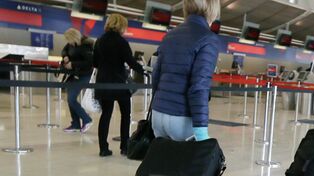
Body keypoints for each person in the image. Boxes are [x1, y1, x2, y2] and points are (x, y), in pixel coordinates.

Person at [151, 0, 220, 142]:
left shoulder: (170, 35)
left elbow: (156, 76)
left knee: (164, 163)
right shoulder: (208, 39)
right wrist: (201, 132)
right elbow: (199, 86)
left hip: (158, 114)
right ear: (213, 9)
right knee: (186, 163)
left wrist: (157, 105)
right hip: (181, 118)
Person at [93, 14, 144, 157]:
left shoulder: (99, 41)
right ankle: (125, 147)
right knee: (125, 115)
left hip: (103, 82)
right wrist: (143, 71)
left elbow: (95, 63)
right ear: (121, 25)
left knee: (106, 115)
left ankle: (103, 148)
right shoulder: (122, 42)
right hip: (119, 83)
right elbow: (131, 62)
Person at [61, 28, 94, 133]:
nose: (68, 42)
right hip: (74, 74)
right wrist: (65, 56)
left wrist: (73, 64)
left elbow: (90, 63)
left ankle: (87, 120)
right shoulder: (71, 44)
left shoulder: (86, 45)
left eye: (69, 39)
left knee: (71, 99)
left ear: (73, 37)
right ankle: (75, 124)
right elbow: (64, 50)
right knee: (70, 99)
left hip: (84, 75)